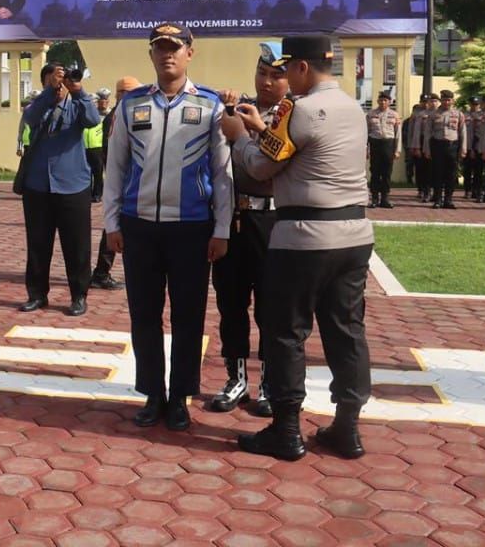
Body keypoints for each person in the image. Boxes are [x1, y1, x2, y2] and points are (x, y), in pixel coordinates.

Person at [222, 34, 373, 462]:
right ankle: (348, 427)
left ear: (302, 68)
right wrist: (259, 129)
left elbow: (261, 166)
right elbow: (293, 147)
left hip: (304, 236)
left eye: (287, 68)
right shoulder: (353, 109)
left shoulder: (298, 109)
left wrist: (238, 136)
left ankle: (286, 429)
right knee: (347, 331)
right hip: (354, 235)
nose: (284, 76)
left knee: (285, 331)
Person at [104, 23, 231, 430]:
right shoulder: (131, 105)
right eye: (160, 48)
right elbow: (115, 167)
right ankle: (152, 393)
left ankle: (180, 396)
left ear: (190, 52)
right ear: (151, 54)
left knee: (188, 316)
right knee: (144, 314)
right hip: (138, 226)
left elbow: (222, 172)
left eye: (175, 48)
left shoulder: (211, 106)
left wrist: (222, 228)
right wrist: (111, 222)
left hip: (192, 227)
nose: (167, 55)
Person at [210, 41, 289, 417]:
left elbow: (274, 163)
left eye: (277, 75)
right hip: (236, 219)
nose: (267, 81)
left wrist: (250, 128)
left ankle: (270, 383)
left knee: (272, 308)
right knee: (231, 303)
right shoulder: (240, 107)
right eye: (262, 73)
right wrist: (229, 110)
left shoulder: (294, 114)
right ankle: (236, 378)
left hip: (273, 221)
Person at [19, 62, 102, 317]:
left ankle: (79, 295)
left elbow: (92, 119)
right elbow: (30, 120)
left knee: (77, 245)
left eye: (62, 79)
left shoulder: (78, 105)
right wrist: (48, 93)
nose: (59, 83)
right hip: (38, 184)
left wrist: (77, 90)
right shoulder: (37, 104)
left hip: (72, 185)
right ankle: (36, 294)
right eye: (53, 79)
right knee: (38, 244)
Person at [90, 77, 140, 291]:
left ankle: (102, 271)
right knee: (116, 228)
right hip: (125, 183)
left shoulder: (123, 114)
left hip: (129, 182)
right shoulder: (117, 117)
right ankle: (101, 272)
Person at [426, 90, 466, 209]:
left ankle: (448, 199)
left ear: (453, 101)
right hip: (437, 145)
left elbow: (462, 132)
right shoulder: (433, 114)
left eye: (449, 100)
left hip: (453, 146)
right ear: (441, 101)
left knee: (451, 174)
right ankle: (438, 199)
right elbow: (428, 133)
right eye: (444, 100)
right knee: (437, 173)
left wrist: (463, 149)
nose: (446, 102)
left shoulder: (458, 114)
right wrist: (426, 149)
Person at [366, 91, 400, 208]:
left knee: (386, 173)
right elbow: (366, 132)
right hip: (375, 143)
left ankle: (385, 198)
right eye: (381, 100)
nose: (383, 102)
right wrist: (366, 149)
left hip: (388, 144)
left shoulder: (394, 115)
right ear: (377, 101)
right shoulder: (371, 114)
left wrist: (397, 150)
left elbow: (398, 134)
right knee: (375, 172)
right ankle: (374, 198)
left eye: (385, 100)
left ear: (389, 102)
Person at [409, 93, 437, 202]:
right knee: (422, 169)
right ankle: (424, 190)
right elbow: (414, 131)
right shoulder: (419, 114)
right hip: (421, 141)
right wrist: (414, 146)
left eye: (429, 101)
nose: (426, 104)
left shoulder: (437, 113)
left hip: (434, 142)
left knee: (434, 169)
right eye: (425, 102)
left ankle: (434, 191)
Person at [85, 89, 111, 203]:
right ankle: (87, 193)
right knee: (87, 173)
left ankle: (97, 194)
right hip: (85, 146)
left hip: (98, 146)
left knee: (98, 173)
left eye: (94, 102)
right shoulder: (85, 115)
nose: (93, 104)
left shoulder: (103, 115)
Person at [462, 96, 482, 199]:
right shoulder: (464, 116)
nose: (475, 106)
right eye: (473, 104)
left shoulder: (483, 116)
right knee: (467, 170)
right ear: (469, 104)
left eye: (477, 104)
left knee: (478, 171)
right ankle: (467, 190)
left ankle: (477, 190)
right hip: (467, 146)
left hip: (479, 147)